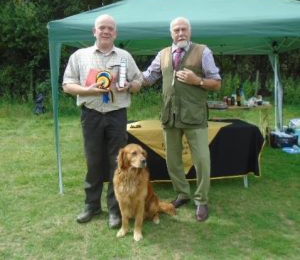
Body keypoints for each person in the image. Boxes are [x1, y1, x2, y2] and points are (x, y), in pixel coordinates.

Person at [62, 14, 143, 228]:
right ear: (94, 31)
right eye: (102, 28)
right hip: (91, 114)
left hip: (117, 115)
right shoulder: (79, 56)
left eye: (110, 28)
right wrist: (87, 90)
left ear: (115, 33)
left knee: (118, 162)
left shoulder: (125, 56)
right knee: (93, 161)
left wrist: (130, 87)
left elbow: (139, 81)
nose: (106, 31)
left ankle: (115, 210)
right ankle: (92, 205)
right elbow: (67, 85)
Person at [143, 17, 221, 222]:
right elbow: (148, 77)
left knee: (202, 159)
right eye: (176, 30)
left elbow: (216, 82)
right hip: (171, 116)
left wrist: (199, 81)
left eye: (184, 29)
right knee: (173, 159)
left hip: (194, 115)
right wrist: (126, 79)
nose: (180, 33)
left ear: (190, 31)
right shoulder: (163, 54)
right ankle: (183, 194)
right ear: (171, 33)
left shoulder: (203, 52)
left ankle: (201, 199)